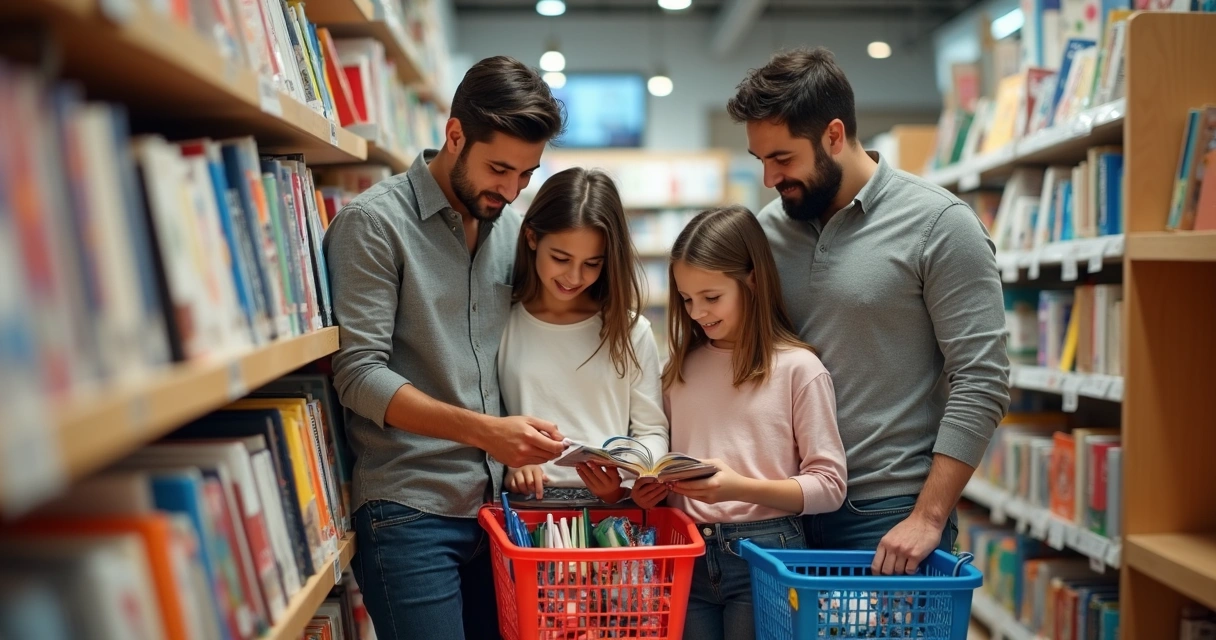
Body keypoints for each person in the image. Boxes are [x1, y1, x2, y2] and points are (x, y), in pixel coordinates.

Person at [726, 46, 1011, 575]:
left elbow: (982, 379)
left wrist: (928, 517)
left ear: (834, 135)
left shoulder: (940, 224)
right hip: (781, 508)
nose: (769, 178)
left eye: (783, 158)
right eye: (759, 160)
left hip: (886, 513)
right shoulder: (766, 232)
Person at [323, 56, 566, 640]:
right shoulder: (374, 224)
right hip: (408, 511)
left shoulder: (511, 229)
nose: (510, 190)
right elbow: (358, 375)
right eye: (499, 168)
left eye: (526, 175)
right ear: (454, 134)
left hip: (498, 510)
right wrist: (488, 432)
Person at [632, 206, 847, 640]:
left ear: (752, 281)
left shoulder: (798, 369)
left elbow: (830, 486)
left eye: (711, 298)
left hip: (767, 552)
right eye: (687, 299)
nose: (697, 313)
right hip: (685, 550)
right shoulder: (679, 369)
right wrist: (648, 493)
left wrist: (739, 488)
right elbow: (666, 462)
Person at [499, 167, 669, 504]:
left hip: (615, 508)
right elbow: (488, 419)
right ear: (532, 238)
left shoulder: (631, 330)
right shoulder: (502, 323)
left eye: (592, 263)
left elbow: (651, 430)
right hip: (528, 506)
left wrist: (628, 481)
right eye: (561, 258)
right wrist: (508, 463)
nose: (574, 277)